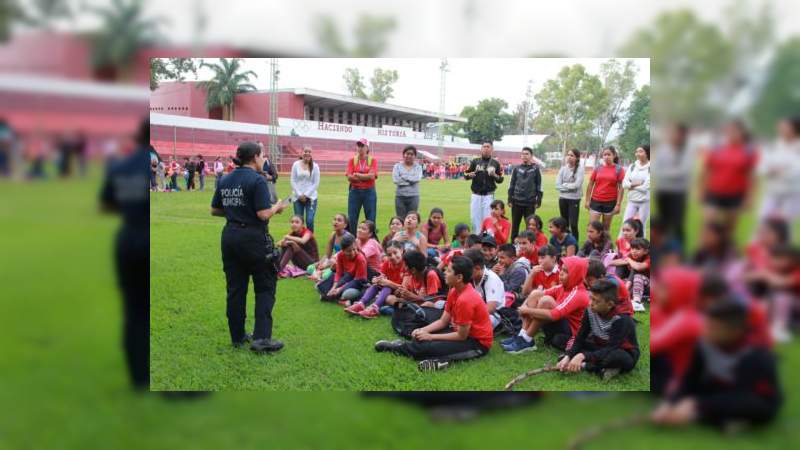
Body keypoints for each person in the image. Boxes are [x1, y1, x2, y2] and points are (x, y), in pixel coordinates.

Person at [651, 299, 782, 428]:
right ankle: (717, 418)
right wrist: (670, 403)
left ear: (734, 331)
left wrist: (697, 404)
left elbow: (746, 396)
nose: (705, 331)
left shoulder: (756, 355)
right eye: (706, 324)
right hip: (719, 390)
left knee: (757, 406)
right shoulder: (704, 344)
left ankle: (716, 417)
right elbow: (689, 380)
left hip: (749, 395)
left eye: (713, 327)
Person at [210, 141, 288, 352]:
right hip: (253, 238)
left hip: (230, 236)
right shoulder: (257, 180)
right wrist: (277, 208)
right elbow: (262, 214)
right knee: (265, 286)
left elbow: (215, 210)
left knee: (235, 289)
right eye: (262, 156)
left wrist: (238, 212)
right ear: (254, 156)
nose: (264, 160)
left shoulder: (225, 179)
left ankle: (237, 336)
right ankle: (262, 339)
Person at [99, 119, 152, 389]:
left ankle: (138, 377)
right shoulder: (150, 166)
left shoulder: (120, 166)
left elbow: (107, 205)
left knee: (134, 309)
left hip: (128, 237)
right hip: (149, 238)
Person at [374, 255, 494, 372]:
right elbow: (443, 321)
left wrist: (431, 336)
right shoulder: (453, 290)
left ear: (459, 278)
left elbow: (461, 336)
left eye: (449, 270)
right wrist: (424, 330)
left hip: (477, 343)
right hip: (461, 333)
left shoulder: (465, 299)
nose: (444, 272)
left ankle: (398, 348)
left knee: (427, 346)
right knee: (421, 336)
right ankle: (440, 359)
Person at [557, 279, 640, 380]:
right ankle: (606, 368)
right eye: (591, 298)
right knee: (560, 339)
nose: (590, 303)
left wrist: (582, 356)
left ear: (610, 304)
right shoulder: (590, 310)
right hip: (600, 346)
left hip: (621, 351)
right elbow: (580, 337)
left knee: (615, 357)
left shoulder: (621, 319)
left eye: (596, 301)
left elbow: (611, 348)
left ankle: (586, 365)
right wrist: (568, 355)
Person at [504, 256, 589, 354]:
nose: (560, 273)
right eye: (561, 269)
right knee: (536, 293)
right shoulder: (563, 287)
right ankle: (522, 335)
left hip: (570, 333)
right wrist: (524, 306)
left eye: (566, 271)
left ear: (575, 274)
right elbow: (527, 293)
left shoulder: (578, 293)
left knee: (546, 301)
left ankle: (527, 339)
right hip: (558, 325)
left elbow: (555, 315)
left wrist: (527, 310)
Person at [698, 121, 758, 227]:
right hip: (714, 191)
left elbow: (752, 176)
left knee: (729, 227)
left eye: (735, 131)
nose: (731, 134)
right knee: (709, 223)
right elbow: (705, 170)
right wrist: (701, 190)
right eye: (729, 131)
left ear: (742, 133)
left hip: (735, 193)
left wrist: (750, 198)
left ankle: (726, 243)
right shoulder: (716, 148)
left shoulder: (748, 151)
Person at [345, 241, 406, 318]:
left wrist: (388, 283)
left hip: (401, 294)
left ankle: (375, 308)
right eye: (389, 255)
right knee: (378, 285)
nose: (393, 256)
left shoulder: (407, 264)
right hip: (389, 292)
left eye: (395, 253)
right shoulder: (387, 263)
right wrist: (376, 280)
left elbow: (405, 289)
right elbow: (382, 277)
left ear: (401, 250)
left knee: (387, 288)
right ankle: (361, 304)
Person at [757, 117, 800, 224]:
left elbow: (796, 170)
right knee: (763, 221)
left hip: (792, 192)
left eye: (785, 127)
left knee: (784, 225)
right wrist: (770, 170)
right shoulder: (773, 145)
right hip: (772, 191)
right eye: (780, 127)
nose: (781, 129)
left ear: (794, 129)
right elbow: (761, 167)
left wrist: (781, 171)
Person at [655, 123, 692, 244]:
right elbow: (656, 169)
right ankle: (663, 250)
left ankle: (679, 251)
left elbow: (684, 171)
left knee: (677, 223)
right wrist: (671, 173)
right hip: (663, 191)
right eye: (673, 133)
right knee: (663, 222)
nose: (675, 136)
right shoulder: (663, 149)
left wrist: (667, 173)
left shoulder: (687, 151)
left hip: (678, 192)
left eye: (678, 133)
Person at [464, 141, 504, 233]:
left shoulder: (495, 163)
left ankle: (488, 242)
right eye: (484, 147)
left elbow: (500, 179)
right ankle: (477, 240)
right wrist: (470, 175)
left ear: (492, 149)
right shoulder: (475, 162)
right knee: (475, 218)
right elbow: (465, 175)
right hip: (476, 195)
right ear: (481, 149)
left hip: (489, 196)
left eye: (488, 147)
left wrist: (494, 174)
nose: (486, 148)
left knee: (489, 218)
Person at [317, 234, 368, 304]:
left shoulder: (360, 259)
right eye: (349, 251)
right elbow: (338, 273)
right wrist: (334, 287)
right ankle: (338, 299)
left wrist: (339, 289)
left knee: (346, 294)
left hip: (358, 282)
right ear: (343, 250)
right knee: (319, 287)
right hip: (346, 277)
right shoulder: (340, 255)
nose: (352, 252)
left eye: (354, 249)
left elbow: (357, 280)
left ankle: (335, 298)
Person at [463, 249, 506, 330]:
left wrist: (467, 317)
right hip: (477, 309)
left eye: (467, 269)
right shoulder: (474, 276)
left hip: (493, 315)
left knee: (467, 325)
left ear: (477, 268)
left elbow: (490, 309)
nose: (464, 272)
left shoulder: (491, 279)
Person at [584, 146, 625, 231]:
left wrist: (618, 204)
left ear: (614, 155)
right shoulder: (598, 168)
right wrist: (587, 200)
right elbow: (590, 184)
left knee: (606, 229)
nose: (606, 156)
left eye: (609, 154)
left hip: (610, 203)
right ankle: (592, 244)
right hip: (595, 201)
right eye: (604, 155)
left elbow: (621, 188)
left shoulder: (619, 169)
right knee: (593, 227)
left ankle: (605, 244)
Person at [507, 147, 543, 241]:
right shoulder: (516, 169)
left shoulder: (536, 169)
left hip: (530, 202)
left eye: (527, 154)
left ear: (531, 156)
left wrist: (538, 199)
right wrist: (510, 199)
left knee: (530, 226)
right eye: (523, 154)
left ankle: (529, 246)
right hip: (516, 202)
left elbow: (540, 185)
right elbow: (511, 184)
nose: (524, 156)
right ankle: (513, 247)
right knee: (515, 225)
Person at [346, 138, 378, 234]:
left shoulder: (372, 160)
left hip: (369, 192)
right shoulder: (352, 160)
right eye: (358, 145)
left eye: (362, 146)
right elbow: (349, 177)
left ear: (367, 147)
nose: (360, 148)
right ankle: (352, 240)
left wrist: (357, 175)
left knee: (371, 218)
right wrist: (365, 177)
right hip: (355, 192)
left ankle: (371, 240)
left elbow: (372, 176)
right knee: (352, 218)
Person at [309, 213, 351, 282]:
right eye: (335, 219)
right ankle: (318, 275)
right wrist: (321, 263)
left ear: (345, 225)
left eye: (339, 220)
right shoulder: (333, 234)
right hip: (333, 260)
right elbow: (328, 255)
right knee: (310, 268)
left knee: (325, 275)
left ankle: (320, 275)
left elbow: (346, 258)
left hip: (343, 264)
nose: (336, 222)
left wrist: (327, 265)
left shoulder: (347, 237)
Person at [555, 149, 584, 241]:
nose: (569, 157)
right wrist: (568, 186)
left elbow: (577, 185)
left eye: (572, 155)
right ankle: (566, 243)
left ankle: (574, 244)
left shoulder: (580, 169)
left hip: (574, 199)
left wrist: (565, 185)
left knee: (574, 224)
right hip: (563, 199)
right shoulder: (563, 169)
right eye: (568, 155)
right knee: (564, 223)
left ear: (577, 158)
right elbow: (557, 185)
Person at [621, 145, 650, 234]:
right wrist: (637, 183)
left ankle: (641, 247)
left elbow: (646, 187)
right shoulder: (632, 166)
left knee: (641, 226)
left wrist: (631, 186)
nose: (637, 154)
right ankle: (621, 247)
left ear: (647, 153)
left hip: (645, 201)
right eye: (636, 151)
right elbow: (624, 184)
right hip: (632, 200)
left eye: (641, 151)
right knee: (625, 224)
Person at [290, 146, 320, 232]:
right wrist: (299, 194)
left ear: (311, 154)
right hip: (297, 197)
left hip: (311, 198)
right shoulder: (296, 164)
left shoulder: (315, 166)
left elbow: (316, 183)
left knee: (309, 220)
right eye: (305, 151)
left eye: (309, 152)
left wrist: (306, 195)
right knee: (298, 221)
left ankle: (310, 241)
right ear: (301, 152)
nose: (307, 153)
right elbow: (293, 180)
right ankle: (299, 241)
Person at [392, 145, 423, 219]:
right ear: (403, 155)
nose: (409, 156)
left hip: (413, 197)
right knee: (400, 219)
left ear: (415, 156)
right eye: (407, 153)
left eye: (411, 154)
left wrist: (403, 177)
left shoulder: (418, 167)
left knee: (411, 219)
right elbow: (396, 180)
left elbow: (417, 179)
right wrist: (410, 181)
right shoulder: (397, 166)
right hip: (400, 197)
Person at [627, 238, 651, 312]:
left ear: (646, 251)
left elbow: (638, 267)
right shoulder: (632, 256)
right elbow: (621, 261)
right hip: (640, 285)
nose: (634, 251)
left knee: (637, 275)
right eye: (632, 248)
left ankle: (636, 302)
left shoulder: (649, 258)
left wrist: (628, 260)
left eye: (637, 249)